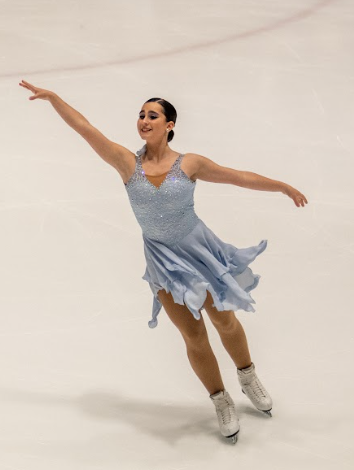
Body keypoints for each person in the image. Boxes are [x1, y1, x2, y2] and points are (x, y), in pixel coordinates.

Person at [19, 80, 308, 443]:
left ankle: (247, 376)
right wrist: (54, 99)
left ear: (169, 124)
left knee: (225, 320)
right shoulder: (126, 163)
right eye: (141, 115)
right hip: (162, 260)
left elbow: (238, 178)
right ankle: (221, 400)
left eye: (152, 115)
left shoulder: (190, 163)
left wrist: (282, 186)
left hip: (199, 252)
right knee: (193, 334)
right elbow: (85, 129)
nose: (144, 120)